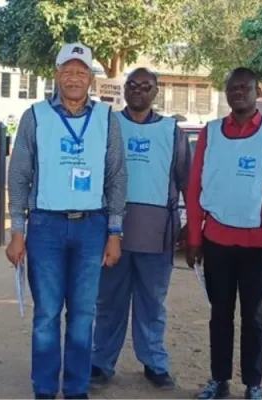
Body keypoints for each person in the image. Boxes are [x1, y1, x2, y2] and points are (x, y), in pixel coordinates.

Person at [5, 43, 127, 399]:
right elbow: (19, 176)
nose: (74, 78)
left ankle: (75, 390)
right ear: (57, 75)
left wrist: (115, 231)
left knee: (83, 314)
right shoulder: (35, 116)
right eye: (67, 71)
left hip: (92, 227)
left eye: (81, 71)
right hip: (45, 228)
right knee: (46, 315)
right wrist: (17, 231)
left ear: (90, 77)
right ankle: (44, 389)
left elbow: (117, 177)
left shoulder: (107, 118)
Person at [185, 67, 262, 399]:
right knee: (220, 314)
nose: (238, 93)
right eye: (232, 88)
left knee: (254, 317)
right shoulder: (211, 132)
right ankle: (219, 380)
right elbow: (195, 188)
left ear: (256, 91)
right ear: (226, 92)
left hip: (257, 245)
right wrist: (194, 238)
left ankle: (254, 384)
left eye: (244, 87)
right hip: (216, 241)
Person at [91, 68, 191, 389]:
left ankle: (154, 363)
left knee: (152, 302)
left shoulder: (171, 130)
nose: (137, 90)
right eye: (132, 85)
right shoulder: (109, 124)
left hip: (156, 231)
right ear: (125, 90)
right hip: (113, 232)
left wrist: (191, 230)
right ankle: (101, 362)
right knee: (109, 301)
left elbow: (185, 179)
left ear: (156, 92)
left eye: (145, 86)